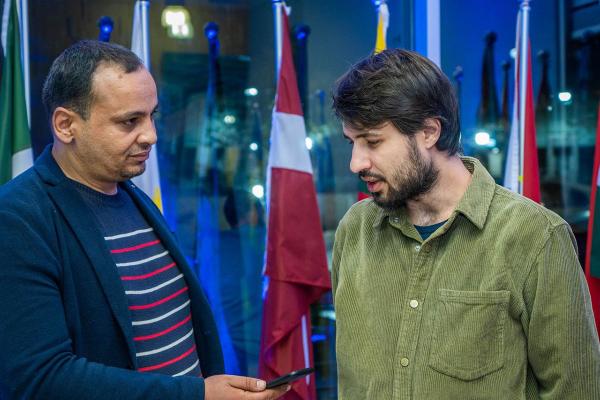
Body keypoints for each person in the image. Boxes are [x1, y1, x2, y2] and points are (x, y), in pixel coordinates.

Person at [0, 40, 288, 400]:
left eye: (152, 116)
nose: (151, 135)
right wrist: (196, 394)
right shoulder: (17, 217)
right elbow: (41, 378)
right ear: (66, 125)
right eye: (129, 121)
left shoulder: (131, 194)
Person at [330, 48, 600, 399]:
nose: (356, 163)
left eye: (373, 142)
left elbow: (577, 389)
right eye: (352, 143)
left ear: (429, 132)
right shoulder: (355, 230)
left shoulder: (535, 236)